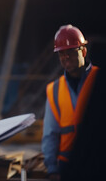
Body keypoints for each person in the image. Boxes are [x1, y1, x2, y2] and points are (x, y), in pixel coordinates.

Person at [42, 24, 99, 181]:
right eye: (61, 54)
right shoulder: (54, 90)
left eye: (71, 52)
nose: (66, 57)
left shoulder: (100, 79)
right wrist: (52, 169)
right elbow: (50, 135)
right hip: (68, 169)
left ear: (84, 51)